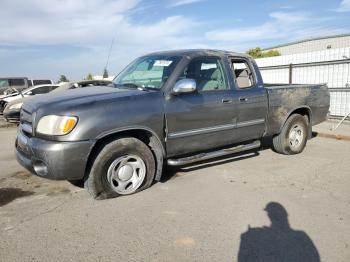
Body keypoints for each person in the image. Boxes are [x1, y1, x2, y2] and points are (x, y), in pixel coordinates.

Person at [238, 202, 320, 262]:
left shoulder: (255, 236)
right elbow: (315, 258)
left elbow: (243, 258)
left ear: (269, 217)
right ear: (286, 216)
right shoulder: (300, 236)